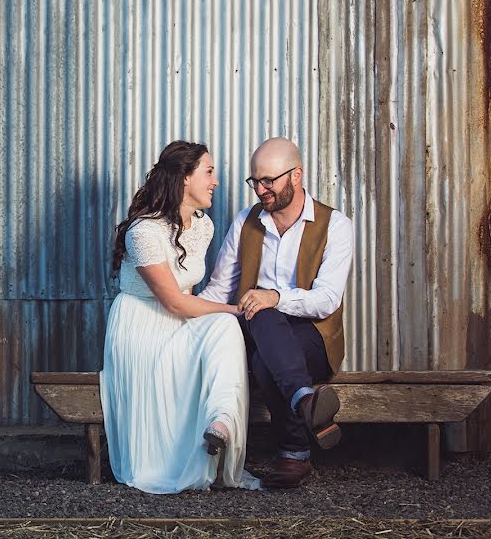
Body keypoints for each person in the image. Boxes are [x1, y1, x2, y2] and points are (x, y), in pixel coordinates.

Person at [100, 140, 261, 493]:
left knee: (222, 327)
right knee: (226, 318)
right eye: (209, 172)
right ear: (184, 179)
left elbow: (191, 298)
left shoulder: (203, 227)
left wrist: (229, 314)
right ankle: (179, 451)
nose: (215, 181)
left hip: (180, 322)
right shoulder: (144, 231)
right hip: (142, 327)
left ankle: (221, 422)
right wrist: (236, 308)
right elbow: (173, 301)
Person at [199, 137, 354, 489]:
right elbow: (221, 287)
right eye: (255, 181)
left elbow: (327, 299)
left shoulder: (336, 225)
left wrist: (274, 297)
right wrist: (185, 314)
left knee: (264, 359)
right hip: (258, 330)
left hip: (314, 338)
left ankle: (295, 445)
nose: (260, 189)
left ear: (296, 175)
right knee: (262, 318)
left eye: (269, 180)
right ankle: (304, 407)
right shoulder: (246, 221)